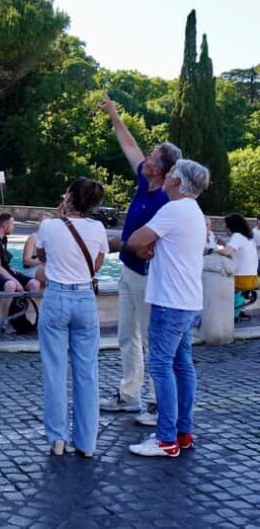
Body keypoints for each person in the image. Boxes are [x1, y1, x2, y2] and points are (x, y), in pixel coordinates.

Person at [98, 93, 182, 427]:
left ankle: (157, 404)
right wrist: (114, 115)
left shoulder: (166, 199)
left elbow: (158, 242)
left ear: (160, 170)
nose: (144, 158)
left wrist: (131, 245)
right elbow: (129, 145)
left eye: (151, 157)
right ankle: (129, 394)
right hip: (130, 271)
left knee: (151, 340)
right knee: (126, 336)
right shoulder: (144, 180)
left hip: (150, 276)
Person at [126, 159, 209, 458]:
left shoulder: (173, 210)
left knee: (161, 366)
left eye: (172, 172)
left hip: (169, 303)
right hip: (188, 301)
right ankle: (182, 432)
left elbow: (135, 239)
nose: (168, 174)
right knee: (182, 366)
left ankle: (165, 439)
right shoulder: (195, 211)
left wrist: (147, 245)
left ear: (177, 181)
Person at [36, 178, 109, 458]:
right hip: (84, 299)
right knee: (87, 372)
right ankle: (87, 442)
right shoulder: (98, 228)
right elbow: (97, 264)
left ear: (68, 198)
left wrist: (59, 218)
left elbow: (41, 256)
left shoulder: (49, 226)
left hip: (56, 297)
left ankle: (57, 438)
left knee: (55, 371)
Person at [0, 213, 40, 317]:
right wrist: (16, 281)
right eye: (12, 224)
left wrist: (10, 267)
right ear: (5, 225)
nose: (13, 227)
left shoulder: (3, 238)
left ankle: (29, 316)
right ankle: (5, 318)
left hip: (3, 271)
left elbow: (2, 261)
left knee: (35, 284)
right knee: (11, 285)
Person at [214, 213, 259, 316]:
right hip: (252, 278)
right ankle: (237, 311)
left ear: (231, 226)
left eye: (225, 224)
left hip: (241, 279)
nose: (224, 227)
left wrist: (210, 251)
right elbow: (237, 251)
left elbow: (227, 252)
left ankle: (230, 314)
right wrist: (224, 244)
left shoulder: (237, 236)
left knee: (213, 283)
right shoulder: (248, 237)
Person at [21, 213, 51, 288]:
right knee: (48, 271)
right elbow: (26, 261)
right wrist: (43, 260)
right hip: (34, 269)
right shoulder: (34, 237)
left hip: (48, 268)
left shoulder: (52, 240)